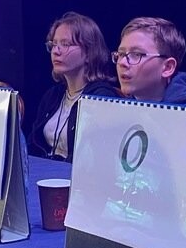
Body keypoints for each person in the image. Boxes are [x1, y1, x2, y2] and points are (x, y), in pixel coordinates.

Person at [28, 11, 119, 161]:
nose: (56, 51)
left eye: (65, 44)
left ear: (89, 53)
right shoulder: (53, 95)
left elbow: (94, 158)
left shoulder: (101, 97)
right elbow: (33, 145)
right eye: (54, 45)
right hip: (45, 171)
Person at [114, 16, 186, 107]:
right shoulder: (122, 107)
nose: (122, 63)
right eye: (121, 54)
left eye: (137, 54)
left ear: (168, 67)